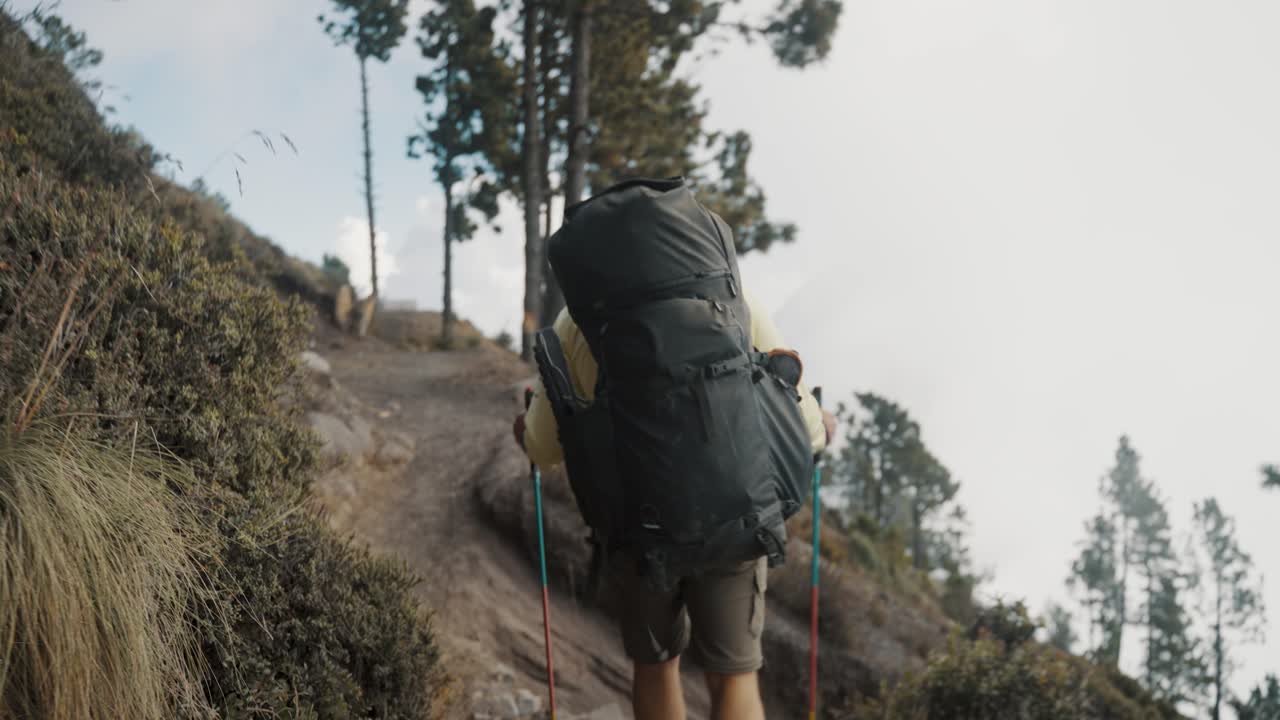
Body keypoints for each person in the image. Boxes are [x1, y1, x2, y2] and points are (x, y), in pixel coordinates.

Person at [514, 289, 835, 720]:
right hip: (731, 516)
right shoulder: (735, 299)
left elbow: (542, 447)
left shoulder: (576, 319)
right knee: (733, 676)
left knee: (656, 666)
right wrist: (825, 427)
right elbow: (805, 428)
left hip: (635, 525)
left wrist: (525, 429)